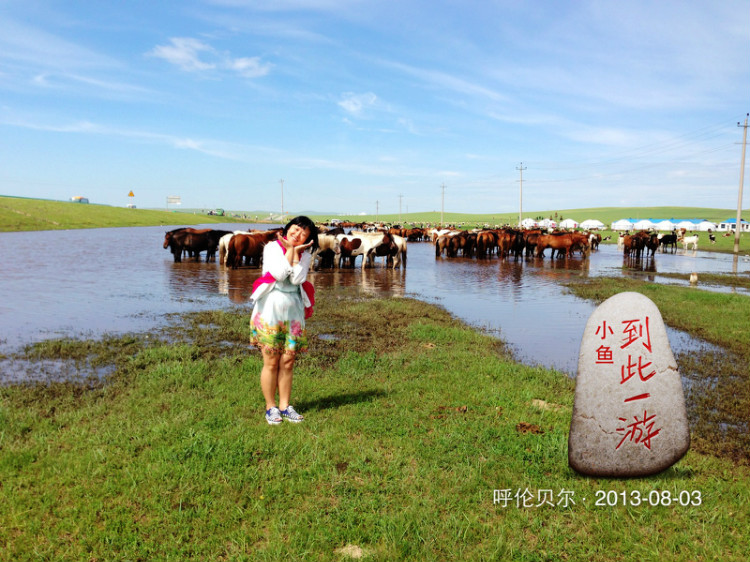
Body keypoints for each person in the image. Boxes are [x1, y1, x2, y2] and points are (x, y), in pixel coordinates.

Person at [249, 216, 319, 425]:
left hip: (293, 312)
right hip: (269, 309)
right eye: (295, 230)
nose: (297, 235)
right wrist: (290, 250)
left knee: (288, 361)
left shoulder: (305, 255)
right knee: (271, 361)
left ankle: (285, 405)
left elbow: (297, 279)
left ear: (308, 239)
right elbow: (279, 275)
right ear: (288, 229)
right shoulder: (271, 247)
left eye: (303, 234)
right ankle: (271, 407)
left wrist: (296, 254)